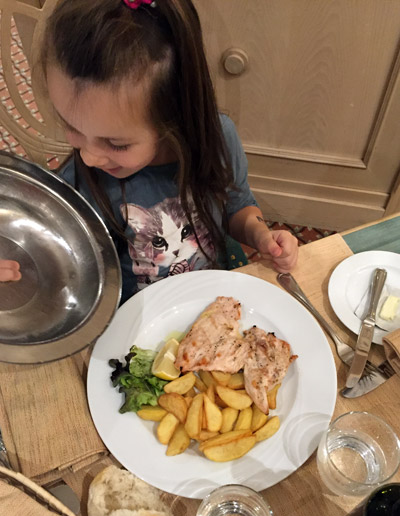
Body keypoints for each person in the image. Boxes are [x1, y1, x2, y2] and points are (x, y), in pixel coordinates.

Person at [40, 0, 298, 303]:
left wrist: (260, 235)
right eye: (71, 126)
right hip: (137, 312)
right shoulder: (76, 184)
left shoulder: (218, 138)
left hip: (213, 292)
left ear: (172, 117)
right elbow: (63, 272)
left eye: (116, 144)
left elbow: (238, 207)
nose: (88, 157)